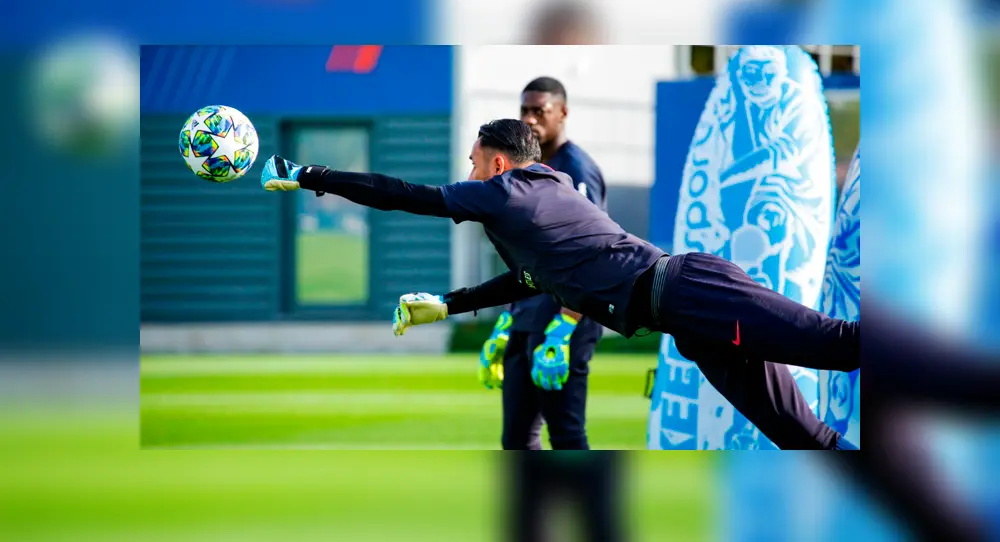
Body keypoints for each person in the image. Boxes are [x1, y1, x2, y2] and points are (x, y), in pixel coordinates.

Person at [260, 118, 860, 450]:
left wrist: (310, 174)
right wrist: (447, 304)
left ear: (497, 164)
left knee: (836, 345)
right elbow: (526, 278)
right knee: (798, 435)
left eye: (472, 161)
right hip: (687, 316)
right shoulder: (536, 202)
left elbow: (404, 197)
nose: (466, 173)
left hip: (695, 291)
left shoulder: (511, 192)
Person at [478, 77, 607, 450]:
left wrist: (565, 326)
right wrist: (506, 320)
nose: (531, 119)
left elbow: (591, 255)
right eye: (525, 111)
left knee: (565, 433)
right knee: (516, 438)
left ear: (562, 113)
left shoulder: (576, 170)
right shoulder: (525, 169)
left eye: (540, 111)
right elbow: (526, 257)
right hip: (527, 319)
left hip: (563, 323)